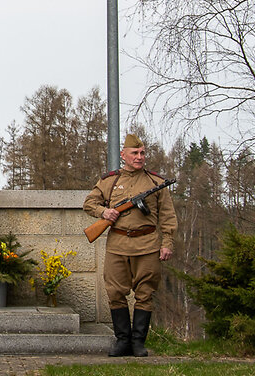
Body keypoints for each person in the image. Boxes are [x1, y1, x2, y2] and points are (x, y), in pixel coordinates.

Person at [83, 132, 178, 357]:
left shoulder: (156, 183)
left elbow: (168, 216)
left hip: (147, 245)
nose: (139, 157)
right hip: (117, 245)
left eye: (142, 153)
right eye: (134, 153)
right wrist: (104, 211)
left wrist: (167, 243)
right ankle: (122, 341)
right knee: (115, 292)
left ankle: (138, 342)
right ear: (123, 154)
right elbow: (89, 203)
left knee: (145, 293)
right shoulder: (110, 181)